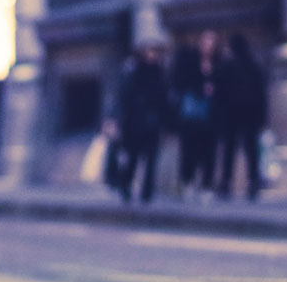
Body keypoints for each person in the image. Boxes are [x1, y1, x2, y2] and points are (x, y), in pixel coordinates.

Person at [115, 39, 171, 203]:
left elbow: (164, 100)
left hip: (153, 123)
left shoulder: (160, 74)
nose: (152, 55)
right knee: (132, 157)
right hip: (134, 124)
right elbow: (125, 98)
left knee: (151, 159)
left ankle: (147, 192)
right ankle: (126, 185)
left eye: (154, 52)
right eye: (149, 52)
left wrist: (165, 122)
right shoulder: (133, 72)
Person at [215, 33, 268, 201]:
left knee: (231, 149)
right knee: (250, 149)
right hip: (250, 113)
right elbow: (261, 94)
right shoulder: (253, 66)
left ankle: (226, 182)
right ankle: (252, 181)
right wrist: (262, 116)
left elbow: (220, 93)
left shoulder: (228, 66)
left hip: (232, 113)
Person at [172, 30, 221, 200]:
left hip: (211, 113)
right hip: (192, 113)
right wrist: (201, 87)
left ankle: (207, 185)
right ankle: (188, 182)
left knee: (209, 151)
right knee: (189, 150)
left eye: (212, 42)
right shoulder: (190, 61)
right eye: (206, 41)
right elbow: (180, 81)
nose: (209, 46)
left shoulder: (218, 63)